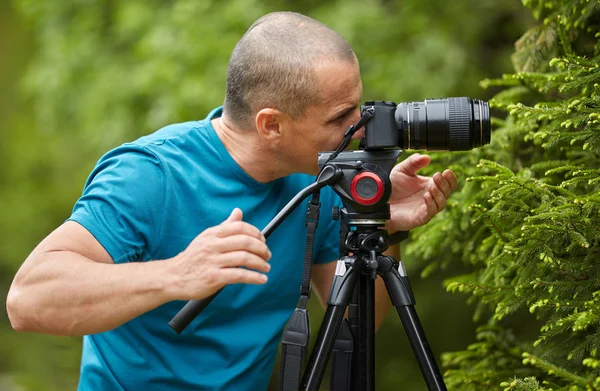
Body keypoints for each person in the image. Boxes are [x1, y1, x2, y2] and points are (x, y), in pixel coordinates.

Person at [6, 11, 458, 391]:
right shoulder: (151, 175)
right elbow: (28, 300)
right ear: (271, 125)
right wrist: (176, 274)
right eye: (341, 117)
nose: (360, 129)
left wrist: (380, 223)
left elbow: (360, 327)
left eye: (359, 109)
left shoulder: (321, 182)